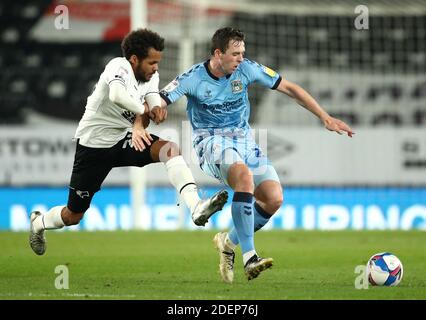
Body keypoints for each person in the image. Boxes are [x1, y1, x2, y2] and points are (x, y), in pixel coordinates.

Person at [155, 27, 354, 283]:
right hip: (211, 143)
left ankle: (227, 242)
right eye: (235, 53)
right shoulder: (193, 77)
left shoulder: (247, 69)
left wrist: (325, 117)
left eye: (242, 53)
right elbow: (161, 98)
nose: (240, 58)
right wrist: (156, 111)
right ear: (218, 53)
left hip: (245, 142)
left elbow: (291, 89)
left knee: (273, 199)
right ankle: (250, 258)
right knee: (244, 177)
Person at [29, 28, 228, 256]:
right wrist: (144, 109)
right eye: (151, 62)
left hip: (123, 139)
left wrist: (156, 110)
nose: (156, 68)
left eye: (158, 63)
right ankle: (38, 222)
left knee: (169, 150)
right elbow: (117, 96)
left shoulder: (151, 76)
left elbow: (153, 99)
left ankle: (196, 206)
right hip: (93, 148)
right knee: (73, 215)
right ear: (134, 59)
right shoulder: (118, 66)